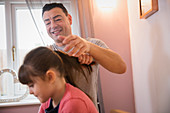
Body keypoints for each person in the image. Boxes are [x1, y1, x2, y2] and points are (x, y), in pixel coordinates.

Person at [42, 2, 126, 111]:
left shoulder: (92, 44)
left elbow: (120, 67)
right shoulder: (46, 53)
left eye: (57, 19)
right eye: (47, 23)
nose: (53, 26)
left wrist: (90, 48)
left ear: (69, 19)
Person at [18, 46, 98, 113]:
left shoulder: (73, 103)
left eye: (32, 85)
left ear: (50, 77)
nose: (30, 92)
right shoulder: (49, 100)